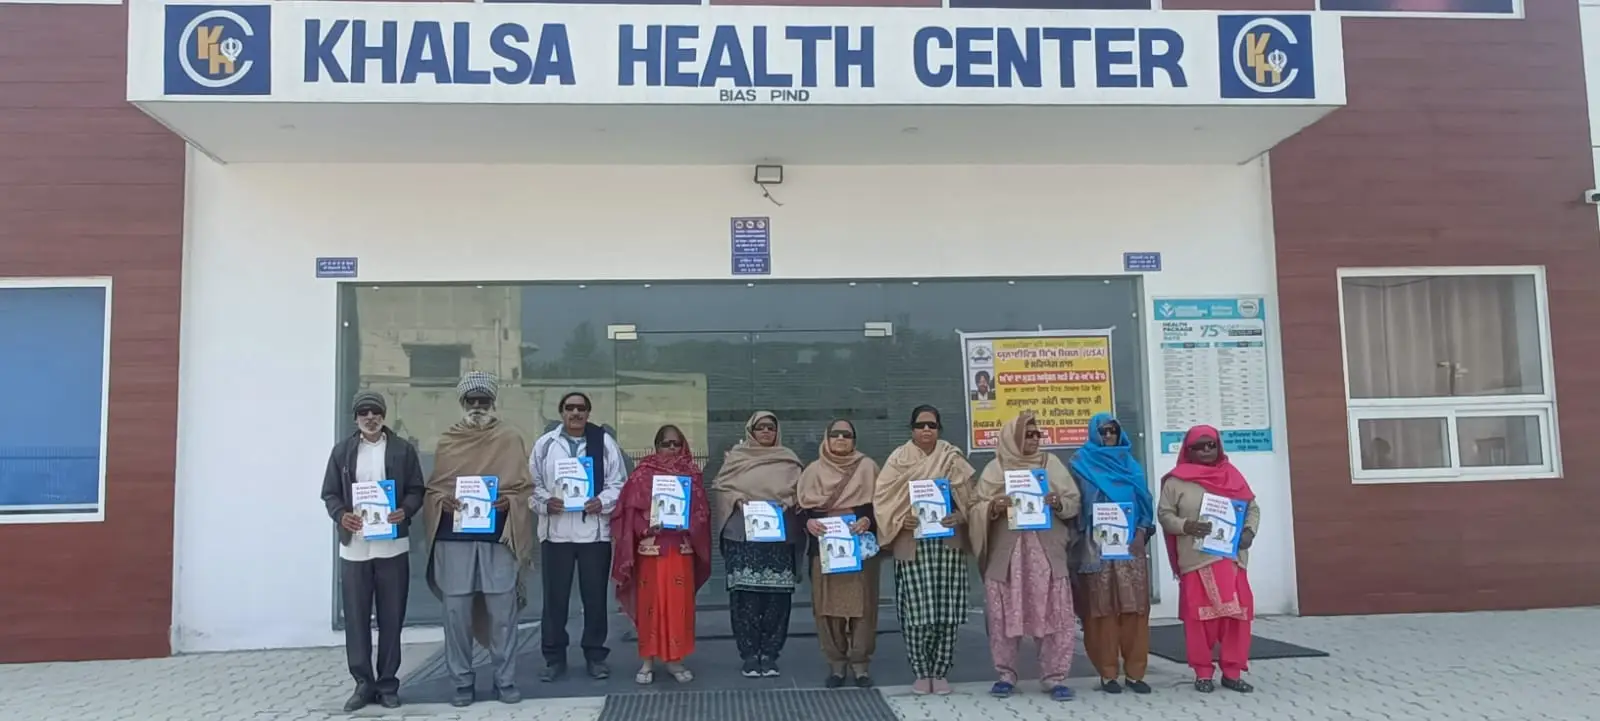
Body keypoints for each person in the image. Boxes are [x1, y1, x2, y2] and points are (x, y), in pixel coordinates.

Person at [421, 372, 536, 708]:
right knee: (456, 613)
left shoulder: (509, 438)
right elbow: (434, 490)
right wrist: (443, 502)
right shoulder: (448, 440)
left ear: (492, 402)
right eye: (470, 400)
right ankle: (461, 682)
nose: (476, 406)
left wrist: (508, 501)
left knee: (503, 612)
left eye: (483, 400)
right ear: (462, 403)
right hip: (454, 540)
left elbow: (523, 489)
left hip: (497, 539)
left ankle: (505, 679)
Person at [320, 391, 425, 712]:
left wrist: (405, 510)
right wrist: (342, 515)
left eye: (375, 411)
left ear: (383, 415)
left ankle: (388, 683)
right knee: (356, 619)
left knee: (392, 618)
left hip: (392, 547)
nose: (370, 417)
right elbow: (330, 494)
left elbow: (416, 489)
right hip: (356, 549)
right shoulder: (342, 452)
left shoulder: (403, 449)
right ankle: (363, 684)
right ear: (355, 418)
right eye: (363, 412)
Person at [969, 412, 1081, 701]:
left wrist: (1058, 503)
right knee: (1004, 615)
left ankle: (1054, 678)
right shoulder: (996, 468)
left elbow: (1073, 501)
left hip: (1046, 554)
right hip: (1008, 557)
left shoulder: (1050, 464)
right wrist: (994, 506)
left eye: (1036, 434)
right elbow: (975, 506)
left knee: (1054, 612)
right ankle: (1005, 675)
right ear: (1013, 437)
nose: (1033, 439)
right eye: (1027, 434)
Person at [872, 405, 976, 696]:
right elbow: (883, 499)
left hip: (947, 545)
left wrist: (961, 515)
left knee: (947, 611)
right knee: (916, 613)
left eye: (932, 425)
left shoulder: (952, 457)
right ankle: (921, 672)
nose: (926, 430)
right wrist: (899, 519)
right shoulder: (898, 460)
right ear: (912, 429)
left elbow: (972, 497)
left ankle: (940, 671)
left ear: (939, 429)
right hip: (912, 544)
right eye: (920, 425)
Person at [530, 391, 628, 681]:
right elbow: (532, 485)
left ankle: (595, 656)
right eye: (570, 408)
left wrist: (603, 501)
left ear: (588, 412)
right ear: (561, 412)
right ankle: (554, 658)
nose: (575, 413)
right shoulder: (546, 444)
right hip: (556, 534)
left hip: (593, 535)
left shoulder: (603, 442)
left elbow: (619, 483)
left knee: (595, 599)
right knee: (554, 601)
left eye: (581, 408)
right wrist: (546, 502)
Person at [1157, 424, 1262, 694]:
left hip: (1231, 560)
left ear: (1219, 447)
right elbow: (1165, 515)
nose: (1206, 450)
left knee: (1237, 618)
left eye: (1211, 445)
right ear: (1188, 450)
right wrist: (1186, 526)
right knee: (1199, 620)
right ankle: (1203, 673)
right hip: (1197, 561)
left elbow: (1252, 508)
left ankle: (1232, 672)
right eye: (1198, 447)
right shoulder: (1176, 481)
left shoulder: (1231, 474)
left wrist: (1249, 532)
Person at [610, 425, 711, 685]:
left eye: (677, 444)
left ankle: (675, 660)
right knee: (651, 606)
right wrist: (646, 527)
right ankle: (647, 660)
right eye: (667, 444)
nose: (672, 449)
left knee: (678, 606)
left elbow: (702, 512)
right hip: (651, 550)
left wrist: (688, 524)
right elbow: (628, 512)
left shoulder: (691, 474)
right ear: (657, 446)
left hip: (680, 549)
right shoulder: (642, 474)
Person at [709, 410, 805, 678]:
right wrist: (737, 500)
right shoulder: (737, 458)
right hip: (743, 536)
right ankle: (750, 655)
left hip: (779, 537)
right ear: (750, 431)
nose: (765, 431)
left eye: (770, 427)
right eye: (760, 427)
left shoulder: (789, 459)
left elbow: (802, 491)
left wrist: (789, 502)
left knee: (777, 598)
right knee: (745, 598)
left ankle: (771, 654)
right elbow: (722, 487)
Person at [1068, 412, 1155, 695]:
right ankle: (1108, 674)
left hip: (1130, 547)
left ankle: (1135, 673)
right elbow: (1073, 504)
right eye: (1103, 431)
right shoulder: (1080, 464)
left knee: (1134, 609)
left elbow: (1145, 504)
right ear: (1094, 434)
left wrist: (1141, 531)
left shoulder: (1130, 465)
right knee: (1100, 611)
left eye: (1112, 431)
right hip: (1095, 549)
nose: (1108, 436)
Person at [796, 419, 880, 688]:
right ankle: (836, 664)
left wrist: (868, 520)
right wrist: (808, 523)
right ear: (826, 438)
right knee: (827, 608)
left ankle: (860, 664)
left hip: (860, 548)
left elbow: (882, 505)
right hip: (825, 548)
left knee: (863, 606)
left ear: (854, 439)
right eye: (835, 434)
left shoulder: (868, 467)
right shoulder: (812, 471)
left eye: (847, 434)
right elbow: (800, 509)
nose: (841, 438)